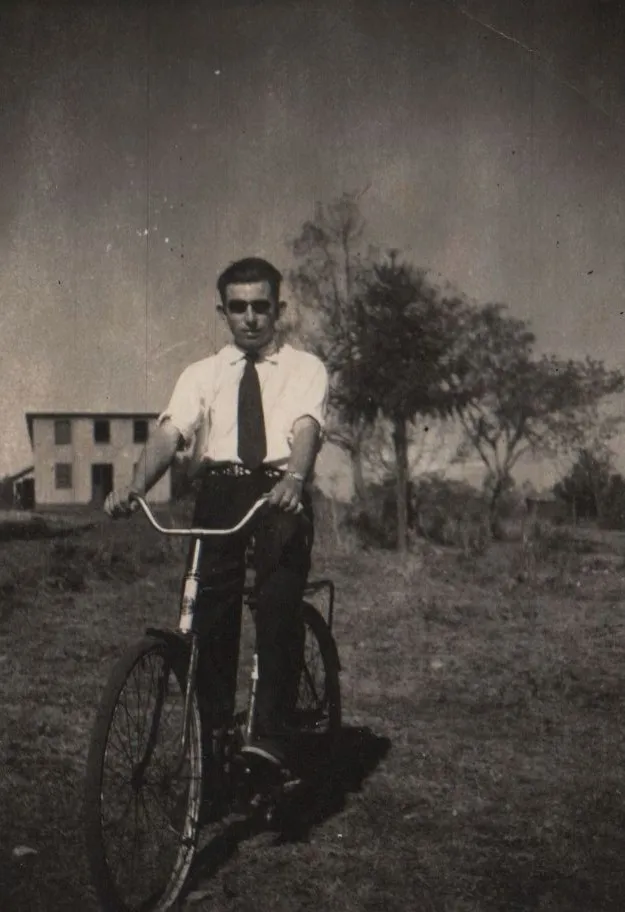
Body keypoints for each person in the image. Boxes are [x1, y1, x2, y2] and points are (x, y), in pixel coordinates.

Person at [105, 257, 329, 768]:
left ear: (279, 309)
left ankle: (271, 732)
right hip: (221, 490)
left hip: (277, 490)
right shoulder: (201, 374)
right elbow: (170, 433)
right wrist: (135, 486)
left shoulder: (305, 368)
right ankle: (212, 739)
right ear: (222, 311)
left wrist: (295, 479)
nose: (250, 318)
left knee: (276, 598)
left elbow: (307, 428)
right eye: (238, 307)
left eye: (260, 306)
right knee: (207, 611)